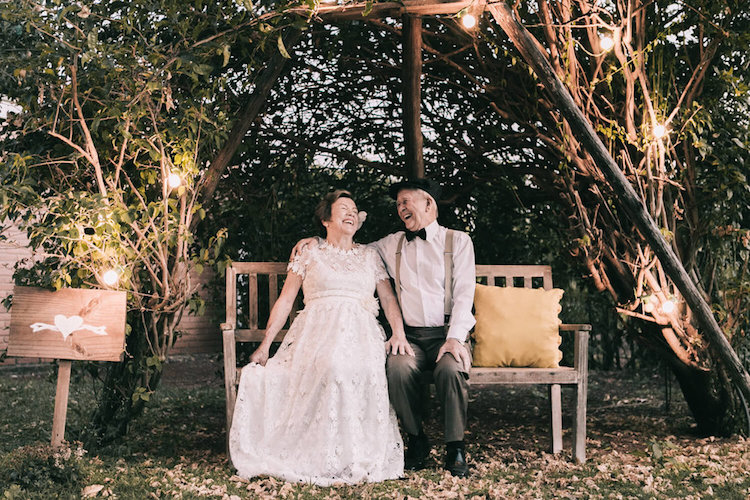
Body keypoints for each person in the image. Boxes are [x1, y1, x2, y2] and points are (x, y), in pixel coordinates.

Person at [291, 178, 476, 477]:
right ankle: (417, 441)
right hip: (411, 337)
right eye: (399, 203)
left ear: (428, 203)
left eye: (407, 201)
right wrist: (317, 240)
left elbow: (465, 293)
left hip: (447, 334)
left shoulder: (458, 241)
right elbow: (346, 245)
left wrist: (455, 338)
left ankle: (455, 446)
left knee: (451, 369)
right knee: (397, 368)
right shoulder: (391, 244)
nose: (401, 207)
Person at [229, 190, 407, 486]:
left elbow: (388, 300)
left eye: (354, 209)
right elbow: (286, 300)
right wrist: (264, 346)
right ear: (326, 219)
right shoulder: (309, 252)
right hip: (315, 334)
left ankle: (353, 454)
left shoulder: (370, 255)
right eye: (343, 209)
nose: (351, 213)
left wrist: (398, 332)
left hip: (361, 334)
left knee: (354, 367)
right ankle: (324, 454)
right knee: (332, 364)